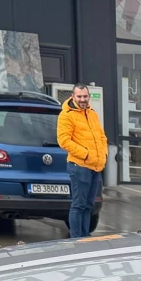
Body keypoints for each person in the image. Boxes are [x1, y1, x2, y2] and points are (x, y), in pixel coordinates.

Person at [57, 84, 108, 239]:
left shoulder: (92, 113)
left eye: (85, 96)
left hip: (96, 167)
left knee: (89, 206)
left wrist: (103, 154)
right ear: (73, 97)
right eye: (79, 96)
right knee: (78, 205)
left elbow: (101, 136)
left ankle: (85, 238)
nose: (82, 99)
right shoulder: (66, 115)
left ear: (88, 96)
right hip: (79, 166)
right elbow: (64, 140)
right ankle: (76, 239)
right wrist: (85, 155)